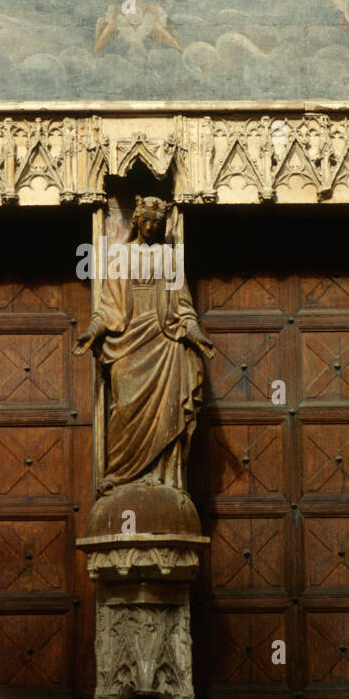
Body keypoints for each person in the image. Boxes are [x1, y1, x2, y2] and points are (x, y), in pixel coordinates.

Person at [73, 197, 214, 494]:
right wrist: (92, 331)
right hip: (128, 339)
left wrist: (196, 334)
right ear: (136, 220)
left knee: (169, 409)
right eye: (147, 221)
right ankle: (121, 473)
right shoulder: (120, 256)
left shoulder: (170, 259)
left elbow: (184, 306)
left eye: (158, 223)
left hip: (165, 341)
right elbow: (108, 306)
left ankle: (165, 478)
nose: (151, 227)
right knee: (123, 407)